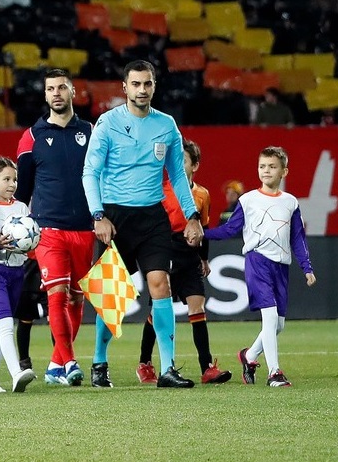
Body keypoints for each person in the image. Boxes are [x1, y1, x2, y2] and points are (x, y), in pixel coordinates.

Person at [82, 60, 202, 390]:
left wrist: (192, 216)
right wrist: (98, 216)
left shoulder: (166, 125)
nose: (142, 90)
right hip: (115, 218)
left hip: (153, 217)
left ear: (154, 86)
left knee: (160, 283)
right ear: (125, 88)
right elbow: (89, 172)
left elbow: (178, 175)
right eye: (136, 84)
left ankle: (167, 369)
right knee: (112, 297)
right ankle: (99, 361)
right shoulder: (107, 123)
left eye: (147, 84)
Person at [207, 146, 316, 387]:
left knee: (278, 324)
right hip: (257, 261)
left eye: (272, 166)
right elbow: (230, 229)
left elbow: (297, 236)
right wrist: (203, 235)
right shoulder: (247, 200)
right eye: (262, 166)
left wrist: (306, 267)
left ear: (284, 171)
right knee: (269, 317)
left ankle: (249, 355)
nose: (266, 170)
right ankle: (274, 373)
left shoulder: (290, 202)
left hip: (281, 266)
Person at [16, 67, 96, 387]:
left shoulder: (91, 132)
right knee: (57, 294)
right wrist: (18, 229)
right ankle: (72, 362)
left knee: (77, 299)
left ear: (72, 91)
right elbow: (23, 193)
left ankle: (55, 364)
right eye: (50, 89)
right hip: (47, 229)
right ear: (45, 95)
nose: (56, 94)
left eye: (62, 88)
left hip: (85, 229)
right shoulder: (32, 137)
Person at [138, 139, 232, 385]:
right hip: (165, 250)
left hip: (189, 254)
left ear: (195, 166)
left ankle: (207, 368)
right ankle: (145, 363)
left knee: (197, 308)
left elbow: (205, 227)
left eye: (184, 160)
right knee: (157, 311)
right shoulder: (161, 190)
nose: (178, 164)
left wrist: (203, 257)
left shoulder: (202, 195)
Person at [0, 157, 36, 394]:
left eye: (15, 179)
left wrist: (31, 243)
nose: (12, 184)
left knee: (0, 328)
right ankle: (16, 373)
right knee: (5, 325)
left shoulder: (21, 208)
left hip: (16, 273)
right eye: (6, 179)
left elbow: (30, 239)